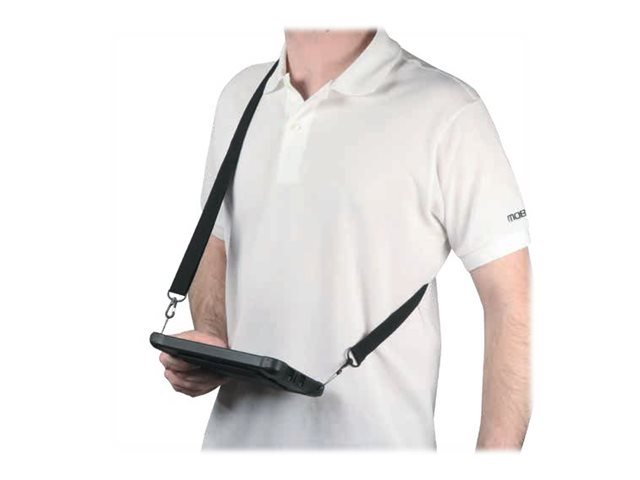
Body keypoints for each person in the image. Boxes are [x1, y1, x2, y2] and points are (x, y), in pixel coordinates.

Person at [159, 27, 532, 450]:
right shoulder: (241, 95)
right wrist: (211, 338)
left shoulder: (446, 108)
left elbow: (510, 301)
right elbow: (218, 239)